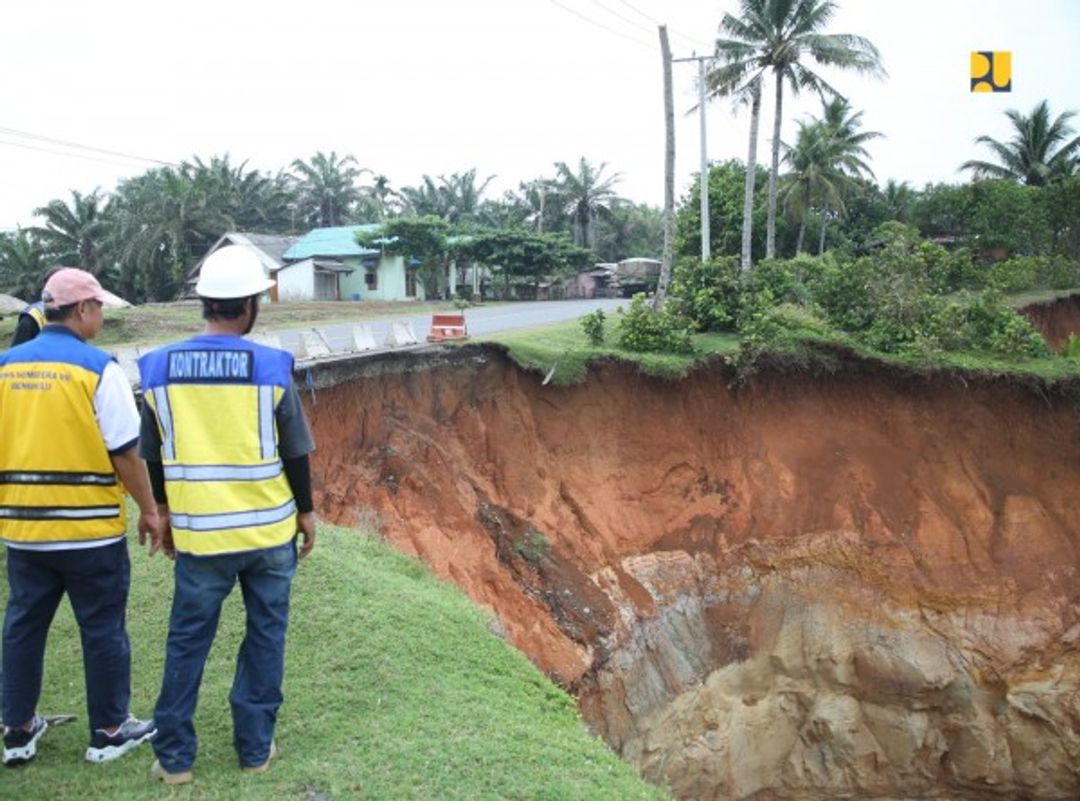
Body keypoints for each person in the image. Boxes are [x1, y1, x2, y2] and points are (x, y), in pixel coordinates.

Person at [138, 246, 316, 785]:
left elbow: (153, 453)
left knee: (187, 639)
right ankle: (255, 749)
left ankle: (174, 759)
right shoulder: (272, 366)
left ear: (207, 304)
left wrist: (162, 513)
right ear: (248, 306)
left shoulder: (157, 368)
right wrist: (306, 513)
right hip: (268, 534)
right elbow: (295, 452)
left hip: (200, 540)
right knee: (266, 634)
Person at [0, 268, 161, 766]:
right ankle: (111, 729)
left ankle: (17, 729)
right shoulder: (98, 368)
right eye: (99, 309)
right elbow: (126, 452)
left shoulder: (5, 366)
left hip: (24, 530)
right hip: (89, 531)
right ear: (82, 310)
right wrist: (150, 510)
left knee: (23, 626)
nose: (102, 318)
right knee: (102, 627)